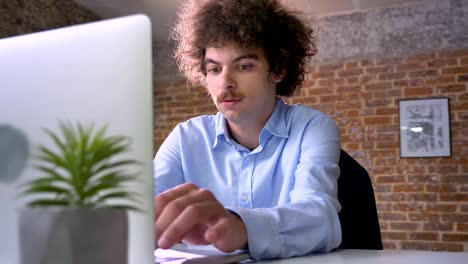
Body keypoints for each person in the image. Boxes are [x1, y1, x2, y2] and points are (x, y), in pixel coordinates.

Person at [153, 0, 342, 260]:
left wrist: (240, 225)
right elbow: (139, 207)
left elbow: (320, 217)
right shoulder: (185, 137)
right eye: (214, 69)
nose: (225, 83)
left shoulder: (313, 128)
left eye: (244, 66)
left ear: (278, 70)